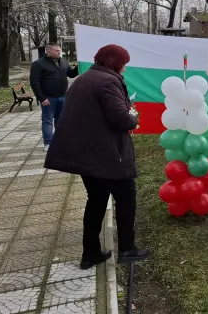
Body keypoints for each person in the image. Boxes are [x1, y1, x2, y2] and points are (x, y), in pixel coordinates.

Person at [44, 44, 149, 269]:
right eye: (124, 64)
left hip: (88, 156)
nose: (125, 69)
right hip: (109, 156)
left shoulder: (83, 79)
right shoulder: (108, 82)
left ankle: (90, 253)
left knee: (96, 202)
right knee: (125, 200)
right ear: (114, 63)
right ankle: (128, 250)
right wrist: (133, 117)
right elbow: (120, 118)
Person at [30, 42, 79, 151]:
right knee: (47, 120)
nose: (59, 52)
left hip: (62, 96)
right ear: (48, 51)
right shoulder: (38, 64)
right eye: (56, 51)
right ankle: (48, 143)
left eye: (59, 50)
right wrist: (42, 98)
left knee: (60, 120)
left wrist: (77, 68)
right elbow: (35, 82)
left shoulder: (64, 62)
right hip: (48, 98)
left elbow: (71, 74)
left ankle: (60, 140)